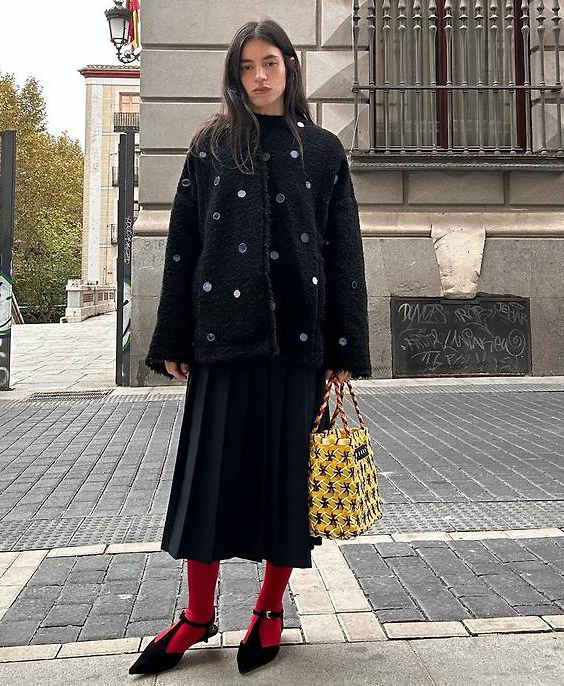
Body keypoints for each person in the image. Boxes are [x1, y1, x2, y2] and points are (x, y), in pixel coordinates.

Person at [130, 18, 371, 677]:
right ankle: (196, 615)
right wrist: (174, 335)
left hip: (298, 344)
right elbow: (183, 245)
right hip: (222, 340)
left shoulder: (322, 151)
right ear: (235, 75)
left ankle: (268, 611)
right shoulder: (211, 145)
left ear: (289, 66)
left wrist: (343, 347)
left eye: (270, 63)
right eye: (246, 66)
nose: (259, 76)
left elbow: (343, 253)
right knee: (208, 483)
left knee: (287, 488)